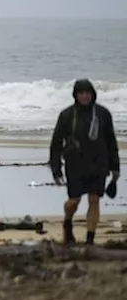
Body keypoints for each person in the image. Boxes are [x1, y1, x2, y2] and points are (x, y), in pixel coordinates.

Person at [49, 78, 119, 245]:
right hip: (75, 164)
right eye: (81, 93)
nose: (85, 96)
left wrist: (115, 167)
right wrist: (56, 170)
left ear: (93, 94)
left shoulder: (103, 114)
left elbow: (111, 141)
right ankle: (67, 222)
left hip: (99, 163)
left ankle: (90, 239)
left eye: (88, 93)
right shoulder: (67, 115)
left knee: (94, 199)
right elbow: (56, 144)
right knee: (74, 201)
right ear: (75, 95)